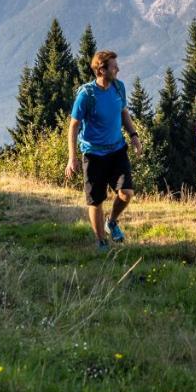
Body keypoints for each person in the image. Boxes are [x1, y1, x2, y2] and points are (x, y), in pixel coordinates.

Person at [65, 50, 141, 252]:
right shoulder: (86, 95)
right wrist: (72, 157)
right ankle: (101, 241)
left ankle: (112, 222)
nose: (118, 68)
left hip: (117, 150)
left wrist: (134, 136)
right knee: (96, 200)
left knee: (126, 193)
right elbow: (73, 126)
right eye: (114, 66)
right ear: (101, 69)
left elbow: (124, 112)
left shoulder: (118, 87)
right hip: (93, 154)